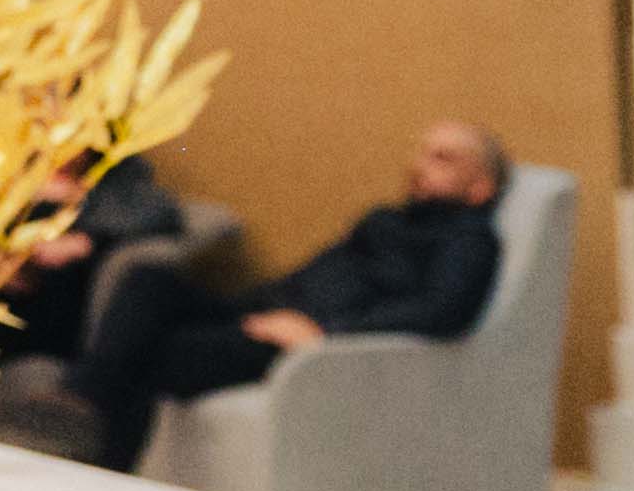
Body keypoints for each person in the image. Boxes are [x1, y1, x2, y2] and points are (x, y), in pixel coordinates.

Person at [66, 120, 509, 472]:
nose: (419, 164)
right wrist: (265, 303)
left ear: (480, 188)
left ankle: (90, 450)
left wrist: (323, 331)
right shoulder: (386, 221)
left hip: (304, 346)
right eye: (423, 152)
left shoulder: (469, 239)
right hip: (272, 309)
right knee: (150, 280)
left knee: (155, 351)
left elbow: (441, 310)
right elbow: (317, 272)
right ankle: (78, 401)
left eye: (443, 158)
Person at [0, 146, 189, 374]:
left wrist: (84, 241)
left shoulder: (117, 173)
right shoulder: (4, 164)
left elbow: (160, 213)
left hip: (62, 306)